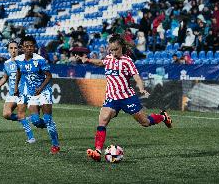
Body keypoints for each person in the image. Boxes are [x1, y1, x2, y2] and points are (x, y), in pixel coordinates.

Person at [76, 34, 172, 162]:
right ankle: (98, 151)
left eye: (116, 49)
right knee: (103, 119)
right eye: (111, 49)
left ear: (121, 47)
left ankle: (163, 117)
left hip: (127, 97)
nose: (113, 52)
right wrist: (87, 60)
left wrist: (142, 88)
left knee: (145, 122)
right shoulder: (109, 58)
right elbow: (100, 62)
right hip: (112, 98)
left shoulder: (127, 61)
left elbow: (137, 77)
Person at [14, 35, 60, 153]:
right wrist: (16, 88)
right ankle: (50, 125)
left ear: (34, 47)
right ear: (22, 48)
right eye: (27, 46)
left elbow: (49, 75)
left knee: (47, 118)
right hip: (32, 93)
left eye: (31, 46)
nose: (29, 48)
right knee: (35, 121)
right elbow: (19, 73)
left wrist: (41, 87)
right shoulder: (18, 60)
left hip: (44, 91)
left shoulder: (40, 60)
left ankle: (55, 145)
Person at [0, 41, 20, 121]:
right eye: (11, 48)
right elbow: (5, 78)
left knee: (35, 115)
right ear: (8, 50)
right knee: (6, 114)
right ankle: (25, 119)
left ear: (18, 49)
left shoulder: (24, 61)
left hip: (23, 92)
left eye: (15, 48)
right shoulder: (7, 63)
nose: (13, 50)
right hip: (12, 93)